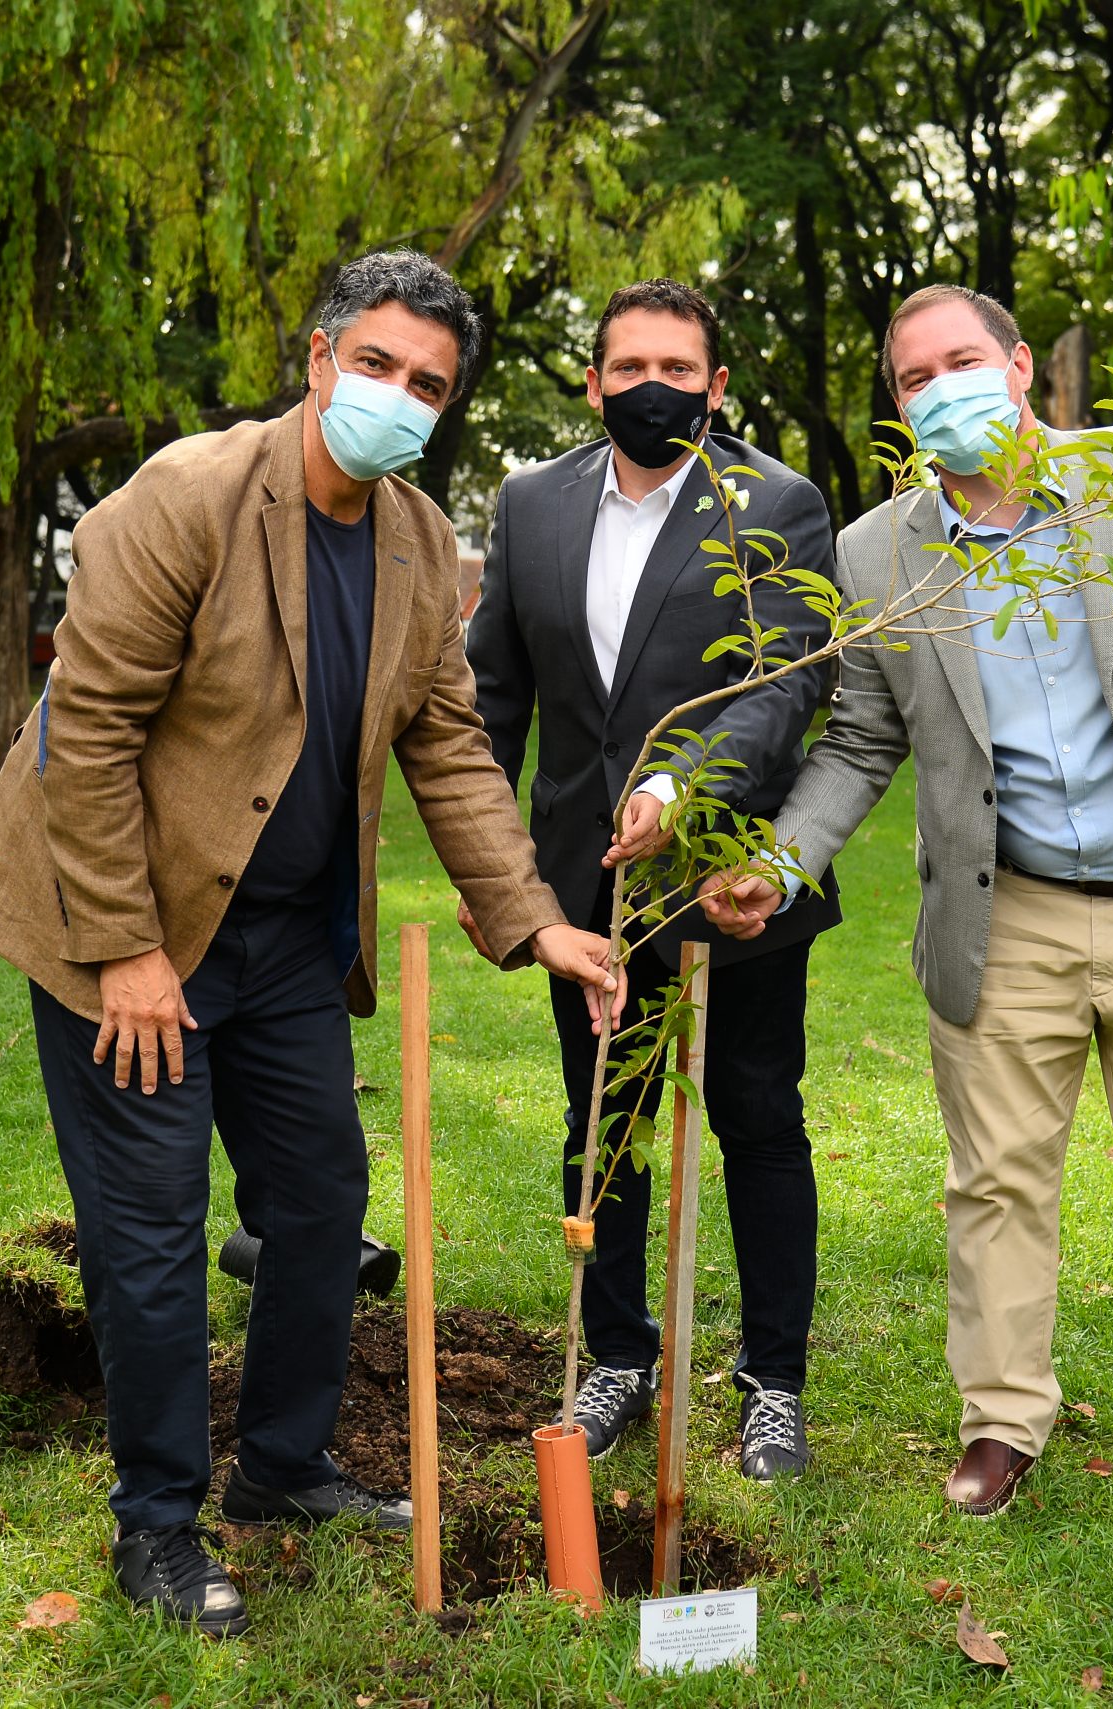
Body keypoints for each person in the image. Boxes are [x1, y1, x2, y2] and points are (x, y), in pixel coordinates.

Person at [0, 251, 623, 1637]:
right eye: (375, 364)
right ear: (318, 361)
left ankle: (281, 1465)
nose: (396, 396)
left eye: (427, 385)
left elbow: (449, 745)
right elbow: (83, 737)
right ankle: (157, 1525)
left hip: (286, 943)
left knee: (320, 1205)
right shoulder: (187, 498)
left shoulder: (420, 543)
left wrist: (538, 917)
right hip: (129, 928)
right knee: (150, 1233)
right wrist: (127, 951)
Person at [702, 284, 1113, 1521]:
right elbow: (861, 739)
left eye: (962, 362)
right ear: (897, 406)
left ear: (1022, 365)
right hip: (1008, 910)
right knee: (994, 1181)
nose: (943, 390)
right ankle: (1002, 1419)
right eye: (915, 379)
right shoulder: (879, 553)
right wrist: (780, 861)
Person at [461, 279, 838, 1481]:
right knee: (603, 1118)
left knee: (756, 1118)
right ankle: (619, 1351)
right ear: (592, 381)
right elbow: (493, 701)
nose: (652, 387)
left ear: (717, 386)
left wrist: (681, 788)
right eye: (627, 368)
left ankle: (771, 1383)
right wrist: (496, 873)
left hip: (731, 878)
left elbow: (784, 687)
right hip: (583, 886)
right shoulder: (528, 505)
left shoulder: (774, 503)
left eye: (678, 367)